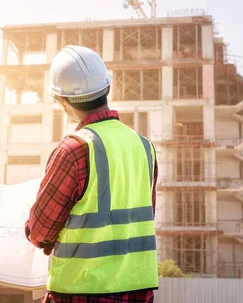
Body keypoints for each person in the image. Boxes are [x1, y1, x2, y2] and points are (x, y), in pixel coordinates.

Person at [25, 46, 159, 303]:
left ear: (62, 101)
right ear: (108, 89)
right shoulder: (145, 147)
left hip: (80, 293)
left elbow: (40, 232)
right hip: (137, 295)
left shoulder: (74, 150)